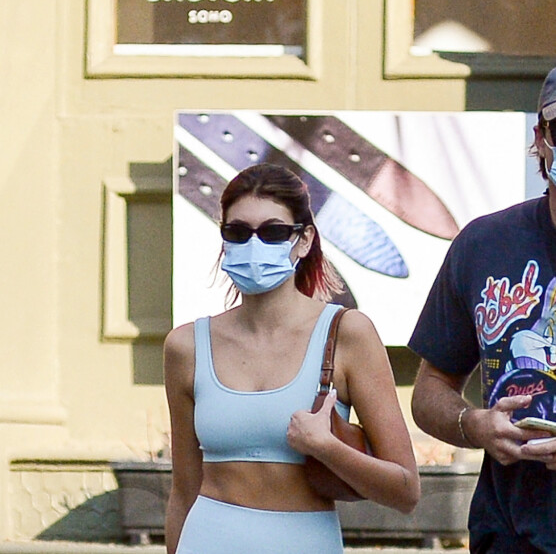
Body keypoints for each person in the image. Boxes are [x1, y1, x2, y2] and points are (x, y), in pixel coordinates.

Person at [164, 163, 420, 554]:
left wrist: (326, 447)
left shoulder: (347, 334)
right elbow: (183, 492)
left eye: (273, 232)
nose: (254, 246)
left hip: (303, 540)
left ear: (303, 241)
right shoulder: (186, 346)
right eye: (237, 232)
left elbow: (405, 491)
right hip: (207, 539)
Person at [409, 67, 556, 553]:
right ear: (541, 137)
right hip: (510, 530)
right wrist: (471, 425)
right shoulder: (485, 244)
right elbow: (431, 387)